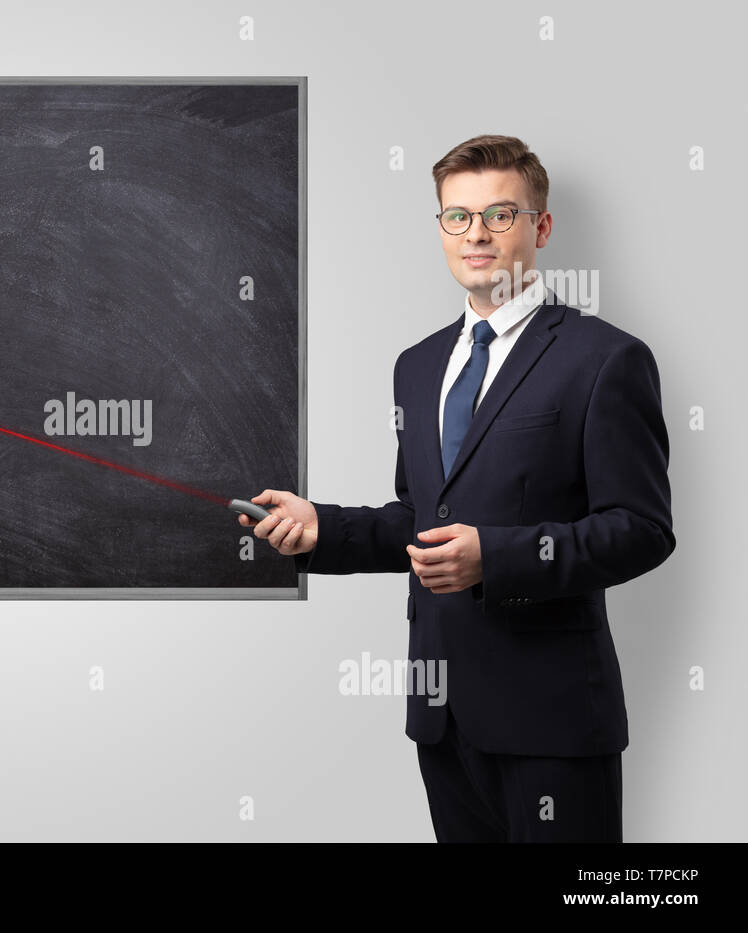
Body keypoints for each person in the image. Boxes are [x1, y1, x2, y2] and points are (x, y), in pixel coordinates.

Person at [239, 135, 675, 842]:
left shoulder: (605, 358)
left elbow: (642, 528)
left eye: (500, 215)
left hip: (553, 722)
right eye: (457, 216)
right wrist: (324, 526)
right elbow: (422, 517)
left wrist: (496, 559)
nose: (476, 233)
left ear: (541, 226)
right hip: (442, 720)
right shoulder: (417, 366)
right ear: (441, 227)